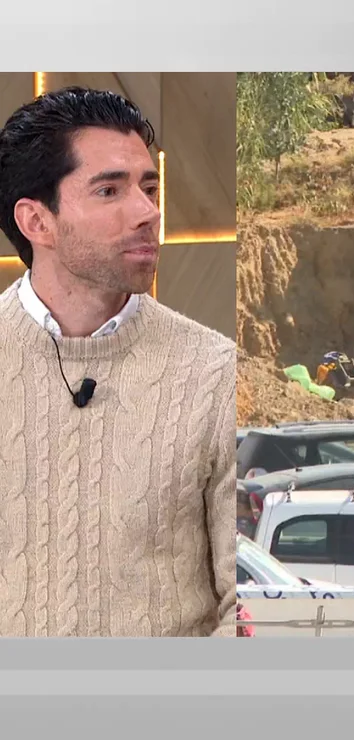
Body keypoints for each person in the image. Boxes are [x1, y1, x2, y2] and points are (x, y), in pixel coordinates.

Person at [0, 87, 237, 636]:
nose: (148, 212)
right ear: (38, 223)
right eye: (110, 190)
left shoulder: (213, 373)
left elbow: (245, 608)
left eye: (148, 187)